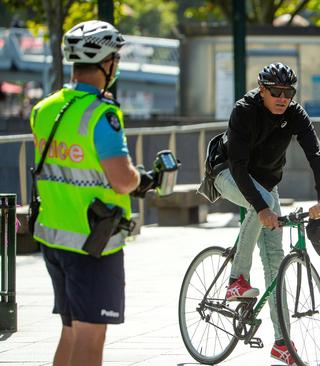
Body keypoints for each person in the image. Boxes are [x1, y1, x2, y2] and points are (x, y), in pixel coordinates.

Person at [29, 20, 157, 366]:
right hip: (93, 242)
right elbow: (120, 179)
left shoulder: (45, 109)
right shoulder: (103, 114)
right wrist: (143, 179)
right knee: (91, 334)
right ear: (107, 63)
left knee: (70, 331)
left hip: (54, 237)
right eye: (115, 57)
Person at [201, 62, 320, 365]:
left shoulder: (294, 114)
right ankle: (237, 279)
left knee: (275, 265)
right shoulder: (245, 110)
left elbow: (315, 152)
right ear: (262, 90)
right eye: (276, 92)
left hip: (266, 185)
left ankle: (282, 342)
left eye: (288, 92)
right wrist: (260, 208)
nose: (282, 97)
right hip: (228, 174)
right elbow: (237, 166)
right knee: (261, 205)